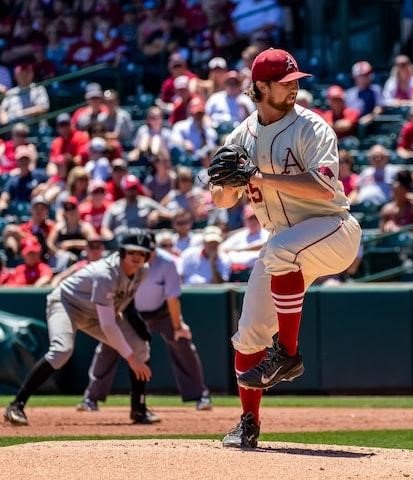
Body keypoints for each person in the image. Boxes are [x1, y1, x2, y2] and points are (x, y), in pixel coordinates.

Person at [210, 48, 362, 448]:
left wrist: (259, 175)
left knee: (279, 251)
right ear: (260, 87)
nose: (295, 87)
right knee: (247, 336)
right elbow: (223, 200)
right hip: (284, 242)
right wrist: (225, 186)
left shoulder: (312, 128)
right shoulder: (241, 135)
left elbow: (324, 186)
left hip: (333, 228)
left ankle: (289, 355)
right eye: (286, 82)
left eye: (297, 81)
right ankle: (247, 423)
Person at [3, 231, 159, 426]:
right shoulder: (105, 273)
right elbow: (108, 325)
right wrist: (130, 359)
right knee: (61, 351)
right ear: (122, 252)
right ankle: (16, 405)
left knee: (140, 348)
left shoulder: (142, 271)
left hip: (94, 312)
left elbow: (126, 303)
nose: (137, 257)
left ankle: (139, 409)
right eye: (132, 252)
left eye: (142, 253)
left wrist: (138, 331)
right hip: (66, 304)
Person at [77, 238, 212, 412]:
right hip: (129, 312)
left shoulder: (167, 262)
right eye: (137, 250)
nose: (141, 255)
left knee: (182, 342)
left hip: (160, 311)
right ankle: (91, 398)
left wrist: (178, 326)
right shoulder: (121, 261)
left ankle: (201, 396)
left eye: (146, 250)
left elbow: (172, 298)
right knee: (108, 346)